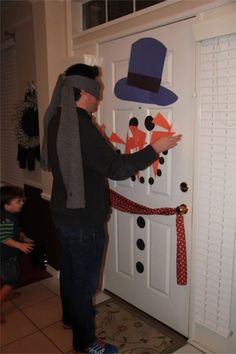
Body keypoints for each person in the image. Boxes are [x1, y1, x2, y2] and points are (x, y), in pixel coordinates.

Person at [41, 63, 182, 354]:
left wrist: (97, 144)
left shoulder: (59, 119)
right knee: (84, 285)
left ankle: (71, 318)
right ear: (84, 91)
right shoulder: (79, 126)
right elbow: (117, 168)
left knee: (70, 273)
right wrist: (155, 147)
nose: (100, 97)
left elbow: (82, 157)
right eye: (97, 91)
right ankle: (86, 343)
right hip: (83, 221)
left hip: (63, 215)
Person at [0, 185, 34, 324]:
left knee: (10, 273)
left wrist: (17, 234)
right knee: (11, 280)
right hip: (5, 256)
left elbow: (6, 232)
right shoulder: (8, 219)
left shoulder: (5, 215)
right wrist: (19, 244)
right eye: (18, 201)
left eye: (21, 200)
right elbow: (3, 237)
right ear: (6, 206)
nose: (22, 203)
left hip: (4, 256)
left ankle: (8, 294)